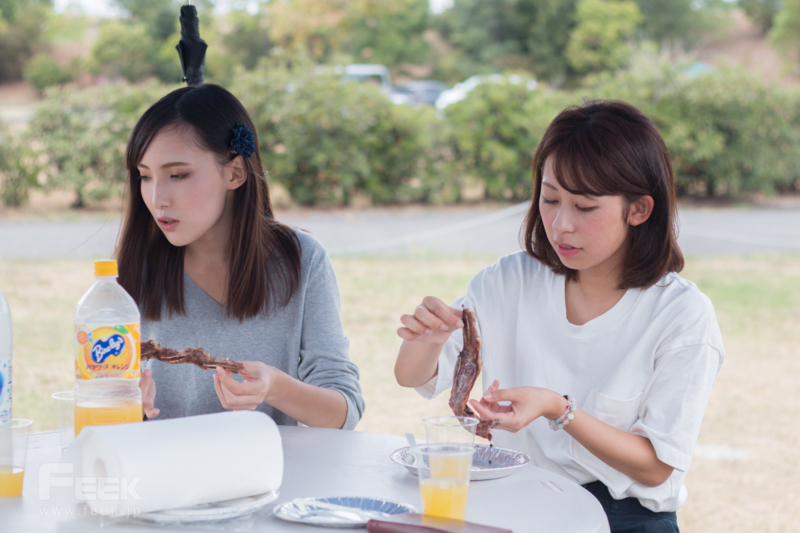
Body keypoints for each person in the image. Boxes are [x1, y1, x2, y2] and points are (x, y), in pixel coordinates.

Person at [394, 100, 723, 532]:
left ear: (639, 210)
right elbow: (413, 376)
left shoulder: (681, 315)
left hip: (624, 520)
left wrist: (557, 408)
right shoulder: (509, 281)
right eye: (550, 200)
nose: (561, 224)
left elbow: (656, 467)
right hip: (516, 505)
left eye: (585, 208)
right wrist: (427, 340)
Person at [115, 83, 364, 430]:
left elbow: (344, 410)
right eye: (144, 176)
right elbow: (106, 400)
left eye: (178, 175)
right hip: (166, 474)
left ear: (234, 173)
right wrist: (123, 406)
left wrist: (274, 387)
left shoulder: (301, 260)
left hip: (272, 478)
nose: (157, 198)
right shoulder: (136, 268)